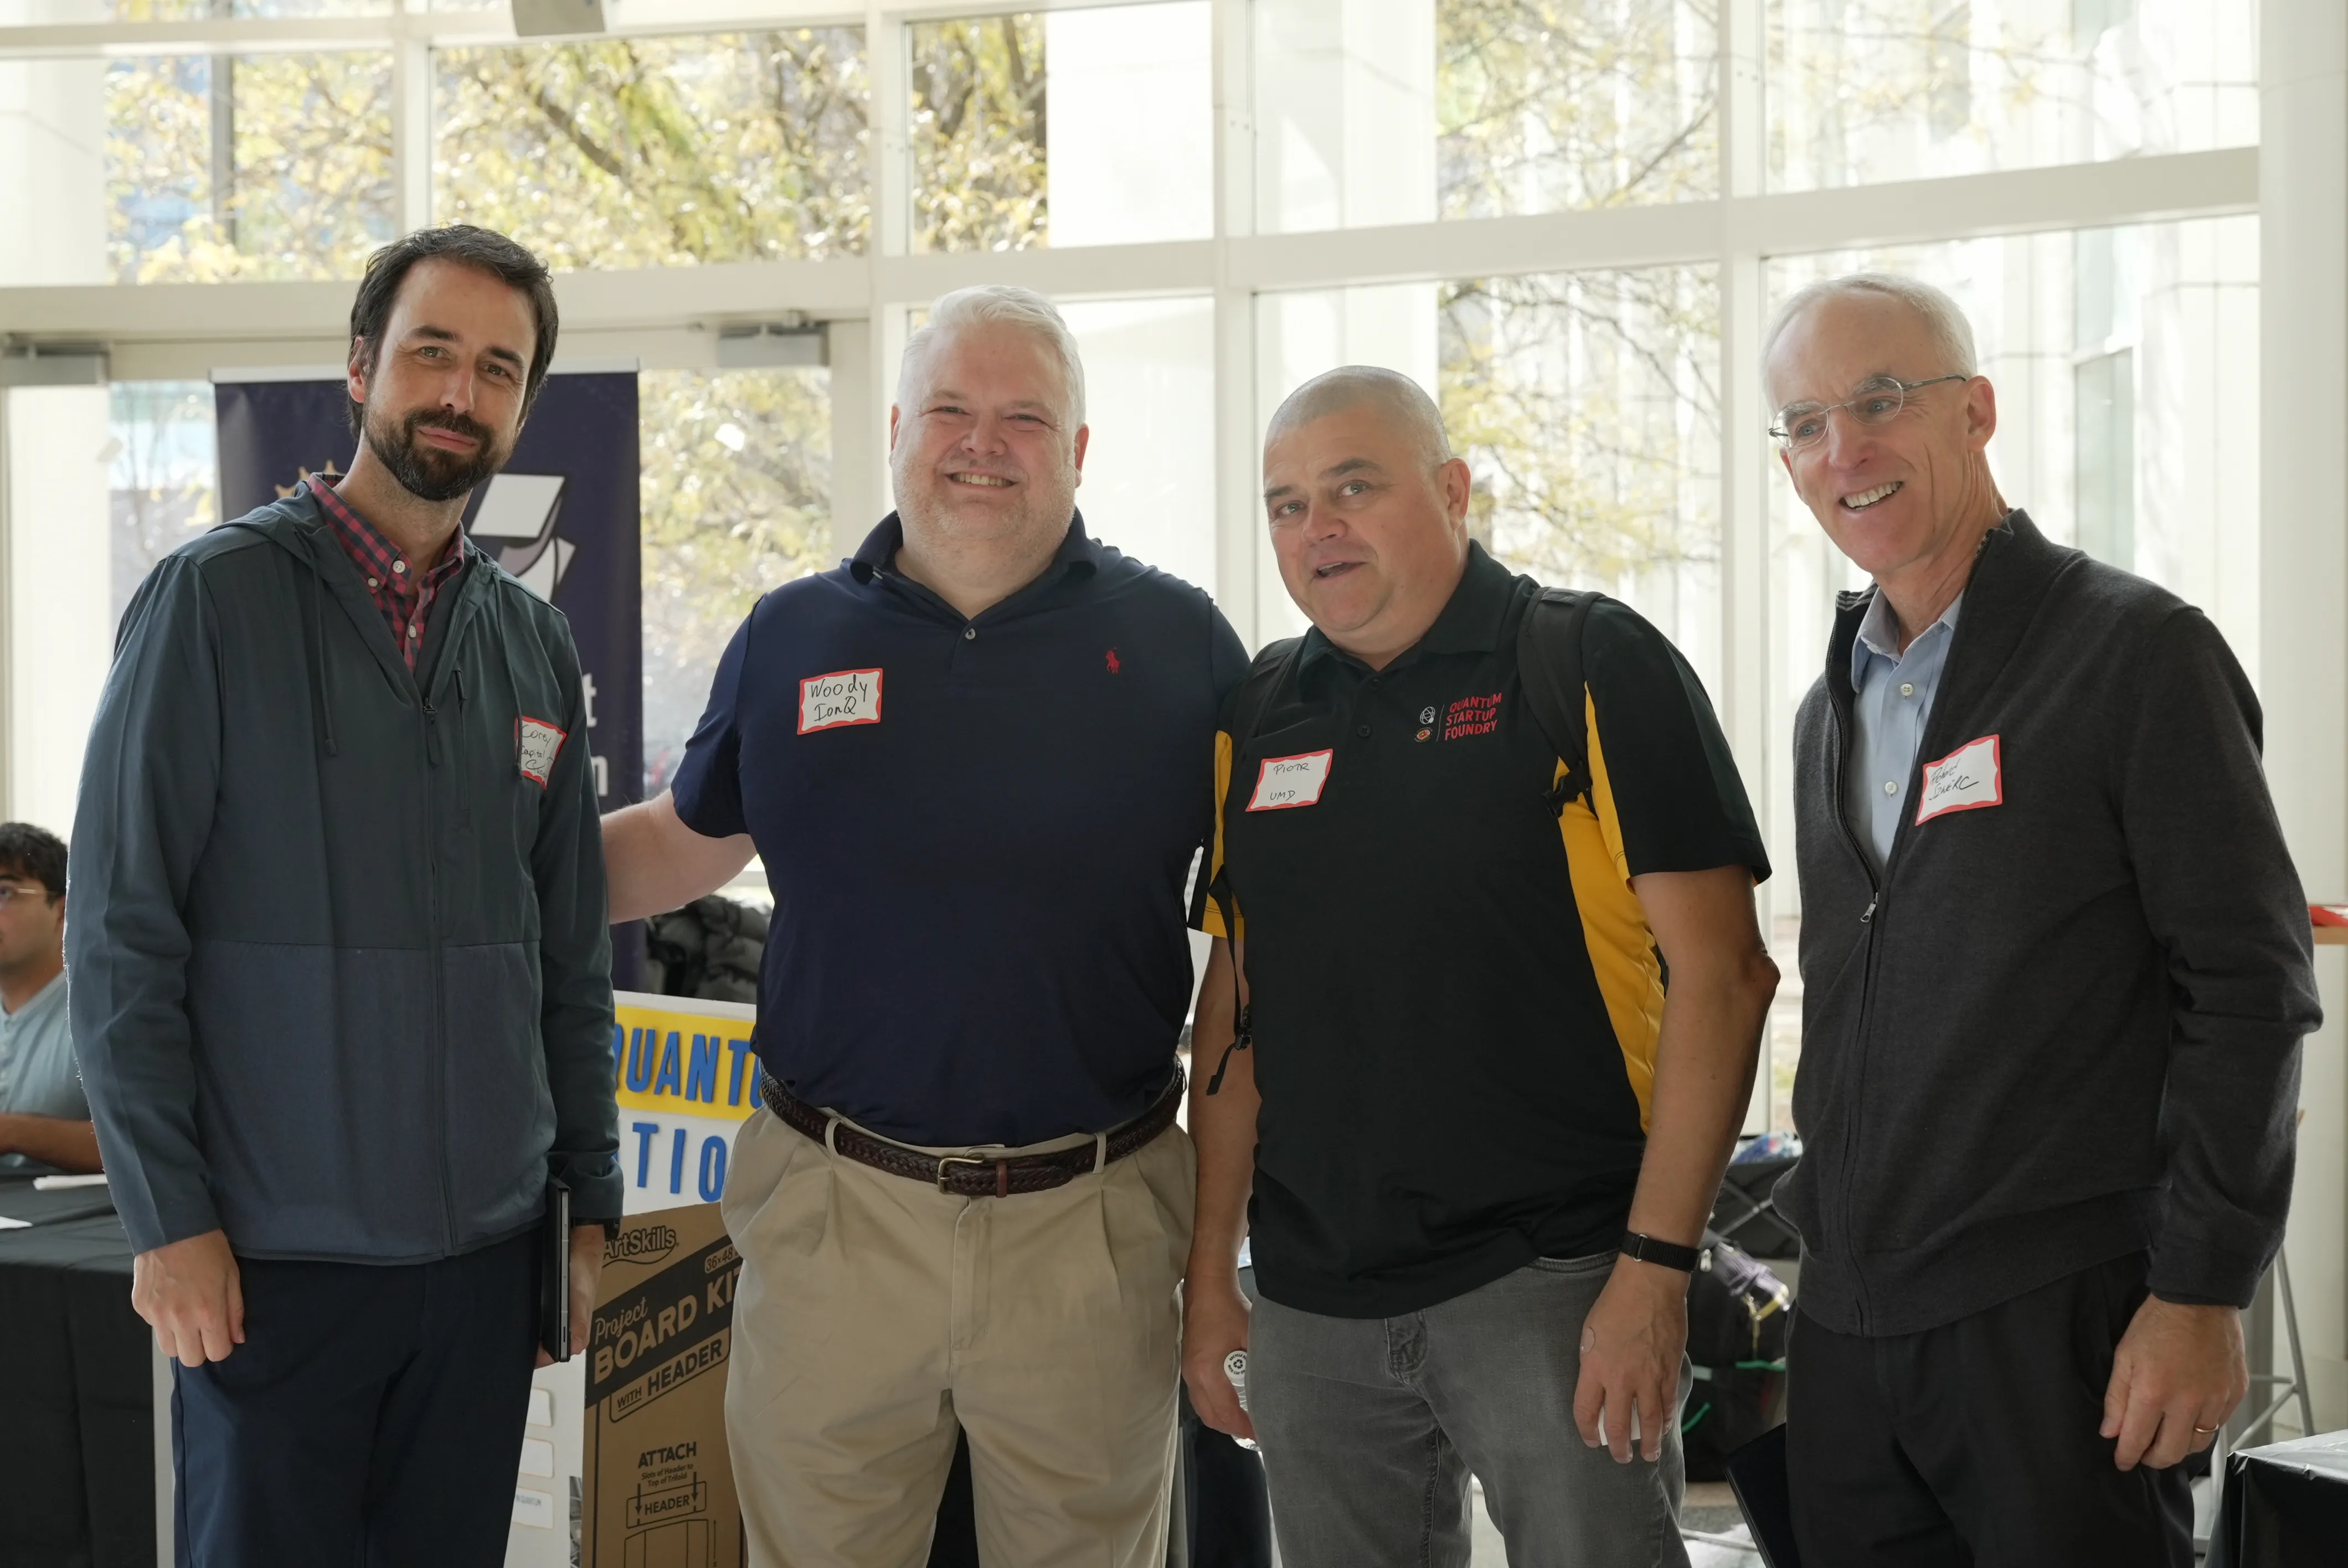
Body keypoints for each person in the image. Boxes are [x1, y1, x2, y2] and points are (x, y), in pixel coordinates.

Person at [601, 282, 1249, 1568]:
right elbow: (686, 836)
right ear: (898, 424)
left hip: (1091, 1221)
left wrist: (1219, 1255)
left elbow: (1255, 952)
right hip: (834, 1216)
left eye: (1023, 415)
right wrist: (463, 873)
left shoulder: (1182, 649)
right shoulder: (793, 634)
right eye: (951, 407)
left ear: (1077, 449)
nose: (980, 441)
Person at [70, 225, 620, 1565]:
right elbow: (120, 936)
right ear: (362, 365)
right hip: (270, 1270)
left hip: (486, 1266)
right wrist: (171, 1220)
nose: (459, 392)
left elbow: (567, 956)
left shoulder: (533, 640)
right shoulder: (210, 602)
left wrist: (585, 1210)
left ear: (522, 406)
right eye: (432, 352)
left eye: (499, 369)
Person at [1181, 367, 1780, 1568]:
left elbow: (1725, 977)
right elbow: (1235, 1018)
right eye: (1286, 505)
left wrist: (1655, 1273)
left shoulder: (1582, 664)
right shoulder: (1257, 715)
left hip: (1553, 1284)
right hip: (1311, 1308)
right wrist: (1209, 1285)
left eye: (1353, 487)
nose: (1318, 528)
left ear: (1453, 490)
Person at [1764, 272, 2316, 1566]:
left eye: (1877, 400)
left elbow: (2246, 988)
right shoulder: (1825, 710)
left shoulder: (2131, 653)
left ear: (1976, 413)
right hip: (1850, 1324)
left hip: (2058, 1320)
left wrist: (2196, 1285)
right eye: (1800, 422)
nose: (1840, 448)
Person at [0, 823, 99, 1173]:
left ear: (61, 910)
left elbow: (143, 1143)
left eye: (4, 893)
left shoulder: (102, 1011)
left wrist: (15, 1132)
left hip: (75, 1220)